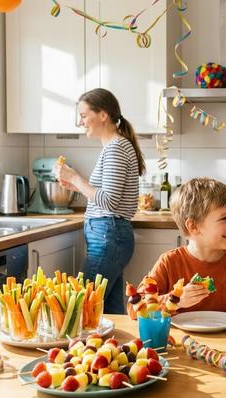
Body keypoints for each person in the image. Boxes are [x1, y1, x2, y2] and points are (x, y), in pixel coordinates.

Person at [54, 88, 145, 314]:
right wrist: (74, 185)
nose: (80, 122)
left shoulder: (116, 148)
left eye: (84, 116)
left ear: (103, 115)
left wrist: (75, 177)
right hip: (109, 235)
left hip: (108, 236)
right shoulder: (115, 146)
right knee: (110, 311)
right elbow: (106, 196)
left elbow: (109, 202)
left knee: (81, 307)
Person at [143, 177, 226, 322]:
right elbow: (135, 308)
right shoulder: (168, 262)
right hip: (178, 336)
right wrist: (175, 299)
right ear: (193, 226)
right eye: (224, 218)